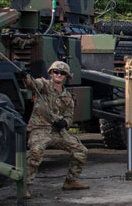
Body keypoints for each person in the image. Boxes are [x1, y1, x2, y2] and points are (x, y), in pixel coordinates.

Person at [25, 60, 89, 192]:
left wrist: (64, 123)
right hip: (40, 129)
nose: (59, 75)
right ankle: (24, 186)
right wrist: (24, 76)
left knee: (81, 151)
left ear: (66, 76)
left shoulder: (68, 97)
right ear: (51, 73)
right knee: (36, 152)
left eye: (62, 73)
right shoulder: (43, 86)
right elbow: (31, 84)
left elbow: (69, 117)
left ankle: (70, 181)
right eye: (56, 72)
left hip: (57, 132)